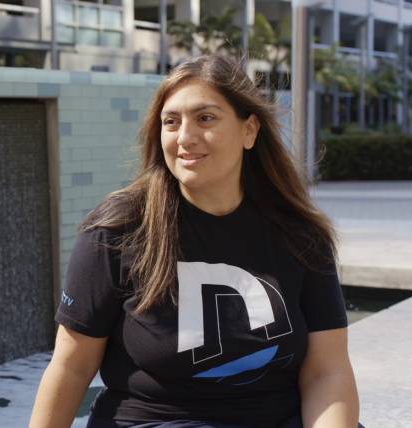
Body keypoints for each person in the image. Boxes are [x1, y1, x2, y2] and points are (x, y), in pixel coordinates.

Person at [29, 55, 360, 428]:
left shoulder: (300, 235)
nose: (185, 137)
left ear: (249, 130)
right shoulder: (117, 229)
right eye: (171, 122)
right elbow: (72, 366)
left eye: (206, 118)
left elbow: (326, 373)